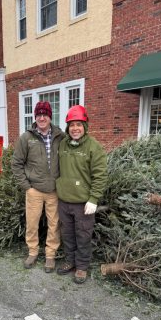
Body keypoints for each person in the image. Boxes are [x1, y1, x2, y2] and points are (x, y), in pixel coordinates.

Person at [56, 105, 107, 284]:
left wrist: (93, 199)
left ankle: (82, 266)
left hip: (83, 203)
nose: (75, 128)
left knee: (83, 235)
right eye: (72, 125)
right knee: (67, 234)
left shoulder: (94, 147)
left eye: (79, 124)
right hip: (63, 201)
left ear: (85, 126)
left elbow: (100, 175)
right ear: (67, 128)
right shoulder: (63, 144)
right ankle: (70, 261)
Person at [12, 101, 64, 273]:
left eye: (45, 114)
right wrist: (27, 187)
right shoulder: (26, 138)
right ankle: (33, 252)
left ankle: (50, 255)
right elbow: (16, 164)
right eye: (39, 115)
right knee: (32, 223)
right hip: (34, 190)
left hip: (54, 190)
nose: (42, 118)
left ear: (50, 117)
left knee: (54, 224)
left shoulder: (60, 136)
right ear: (35, 117)